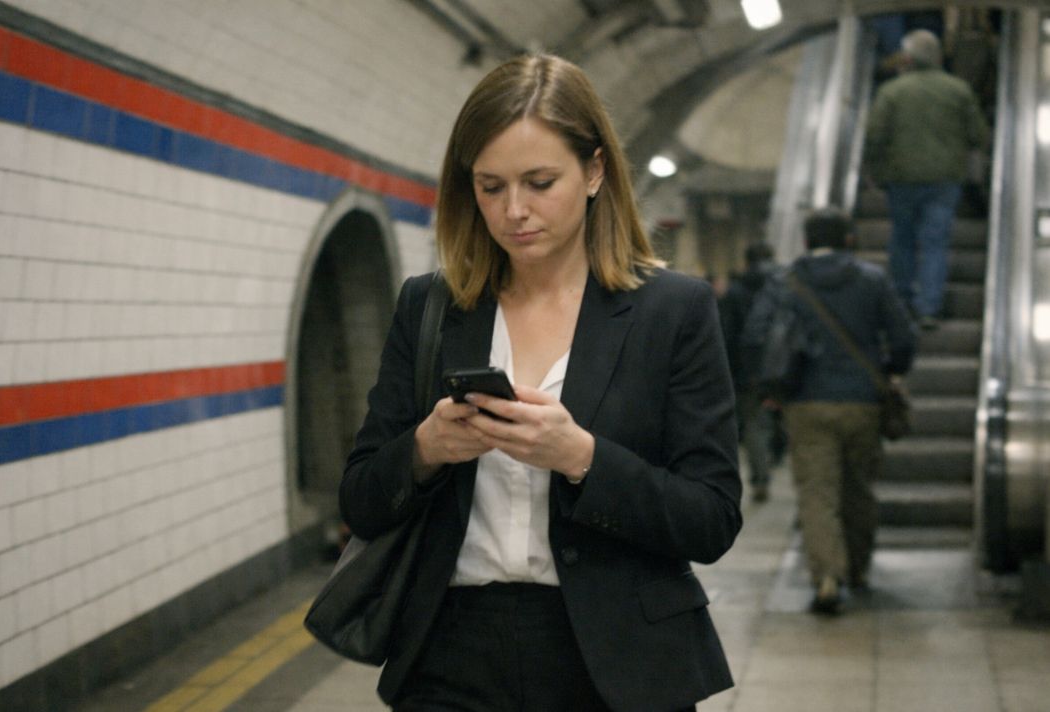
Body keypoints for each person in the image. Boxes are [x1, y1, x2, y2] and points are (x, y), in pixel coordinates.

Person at [339, 54, 742, 711]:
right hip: (449, 652)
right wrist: (425, 449)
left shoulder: (673, 311)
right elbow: (359, 500)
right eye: (490, 186)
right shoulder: (432, 307)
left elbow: (712, 518)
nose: (514, 211)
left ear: (594, 171)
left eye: (539, 182)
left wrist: (582, 458)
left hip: (618, 660)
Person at [743, 208, 915, 614]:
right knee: (858, 489)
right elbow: (903, 337)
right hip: (863, 402)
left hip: (805, 403)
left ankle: (826, 578)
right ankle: (858, 568)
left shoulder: (784, 282)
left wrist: (771, 386)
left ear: (805, 242)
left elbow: (754, 335)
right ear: (850, 240)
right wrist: (891, 372)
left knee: (817, 493)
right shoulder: (872, 280)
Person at [864, 29, 989, 330]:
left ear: (908, 58)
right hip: (945, 180)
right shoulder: (957, 90)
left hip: (901, 178)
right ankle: (929, 308)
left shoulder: (892, 92)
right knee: (936, 242)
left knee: (902, 239)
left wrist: (876, 171)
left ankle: (902, 302)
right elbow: (979, 135)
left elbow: (875, 136)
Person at [716, 243, 780, 502]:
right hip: (787, 370)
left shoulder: (736, 292)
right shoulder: (786, 288)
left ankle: (761, 477)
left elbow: (726, 335)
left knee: (755, 424)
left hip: (748, 374)